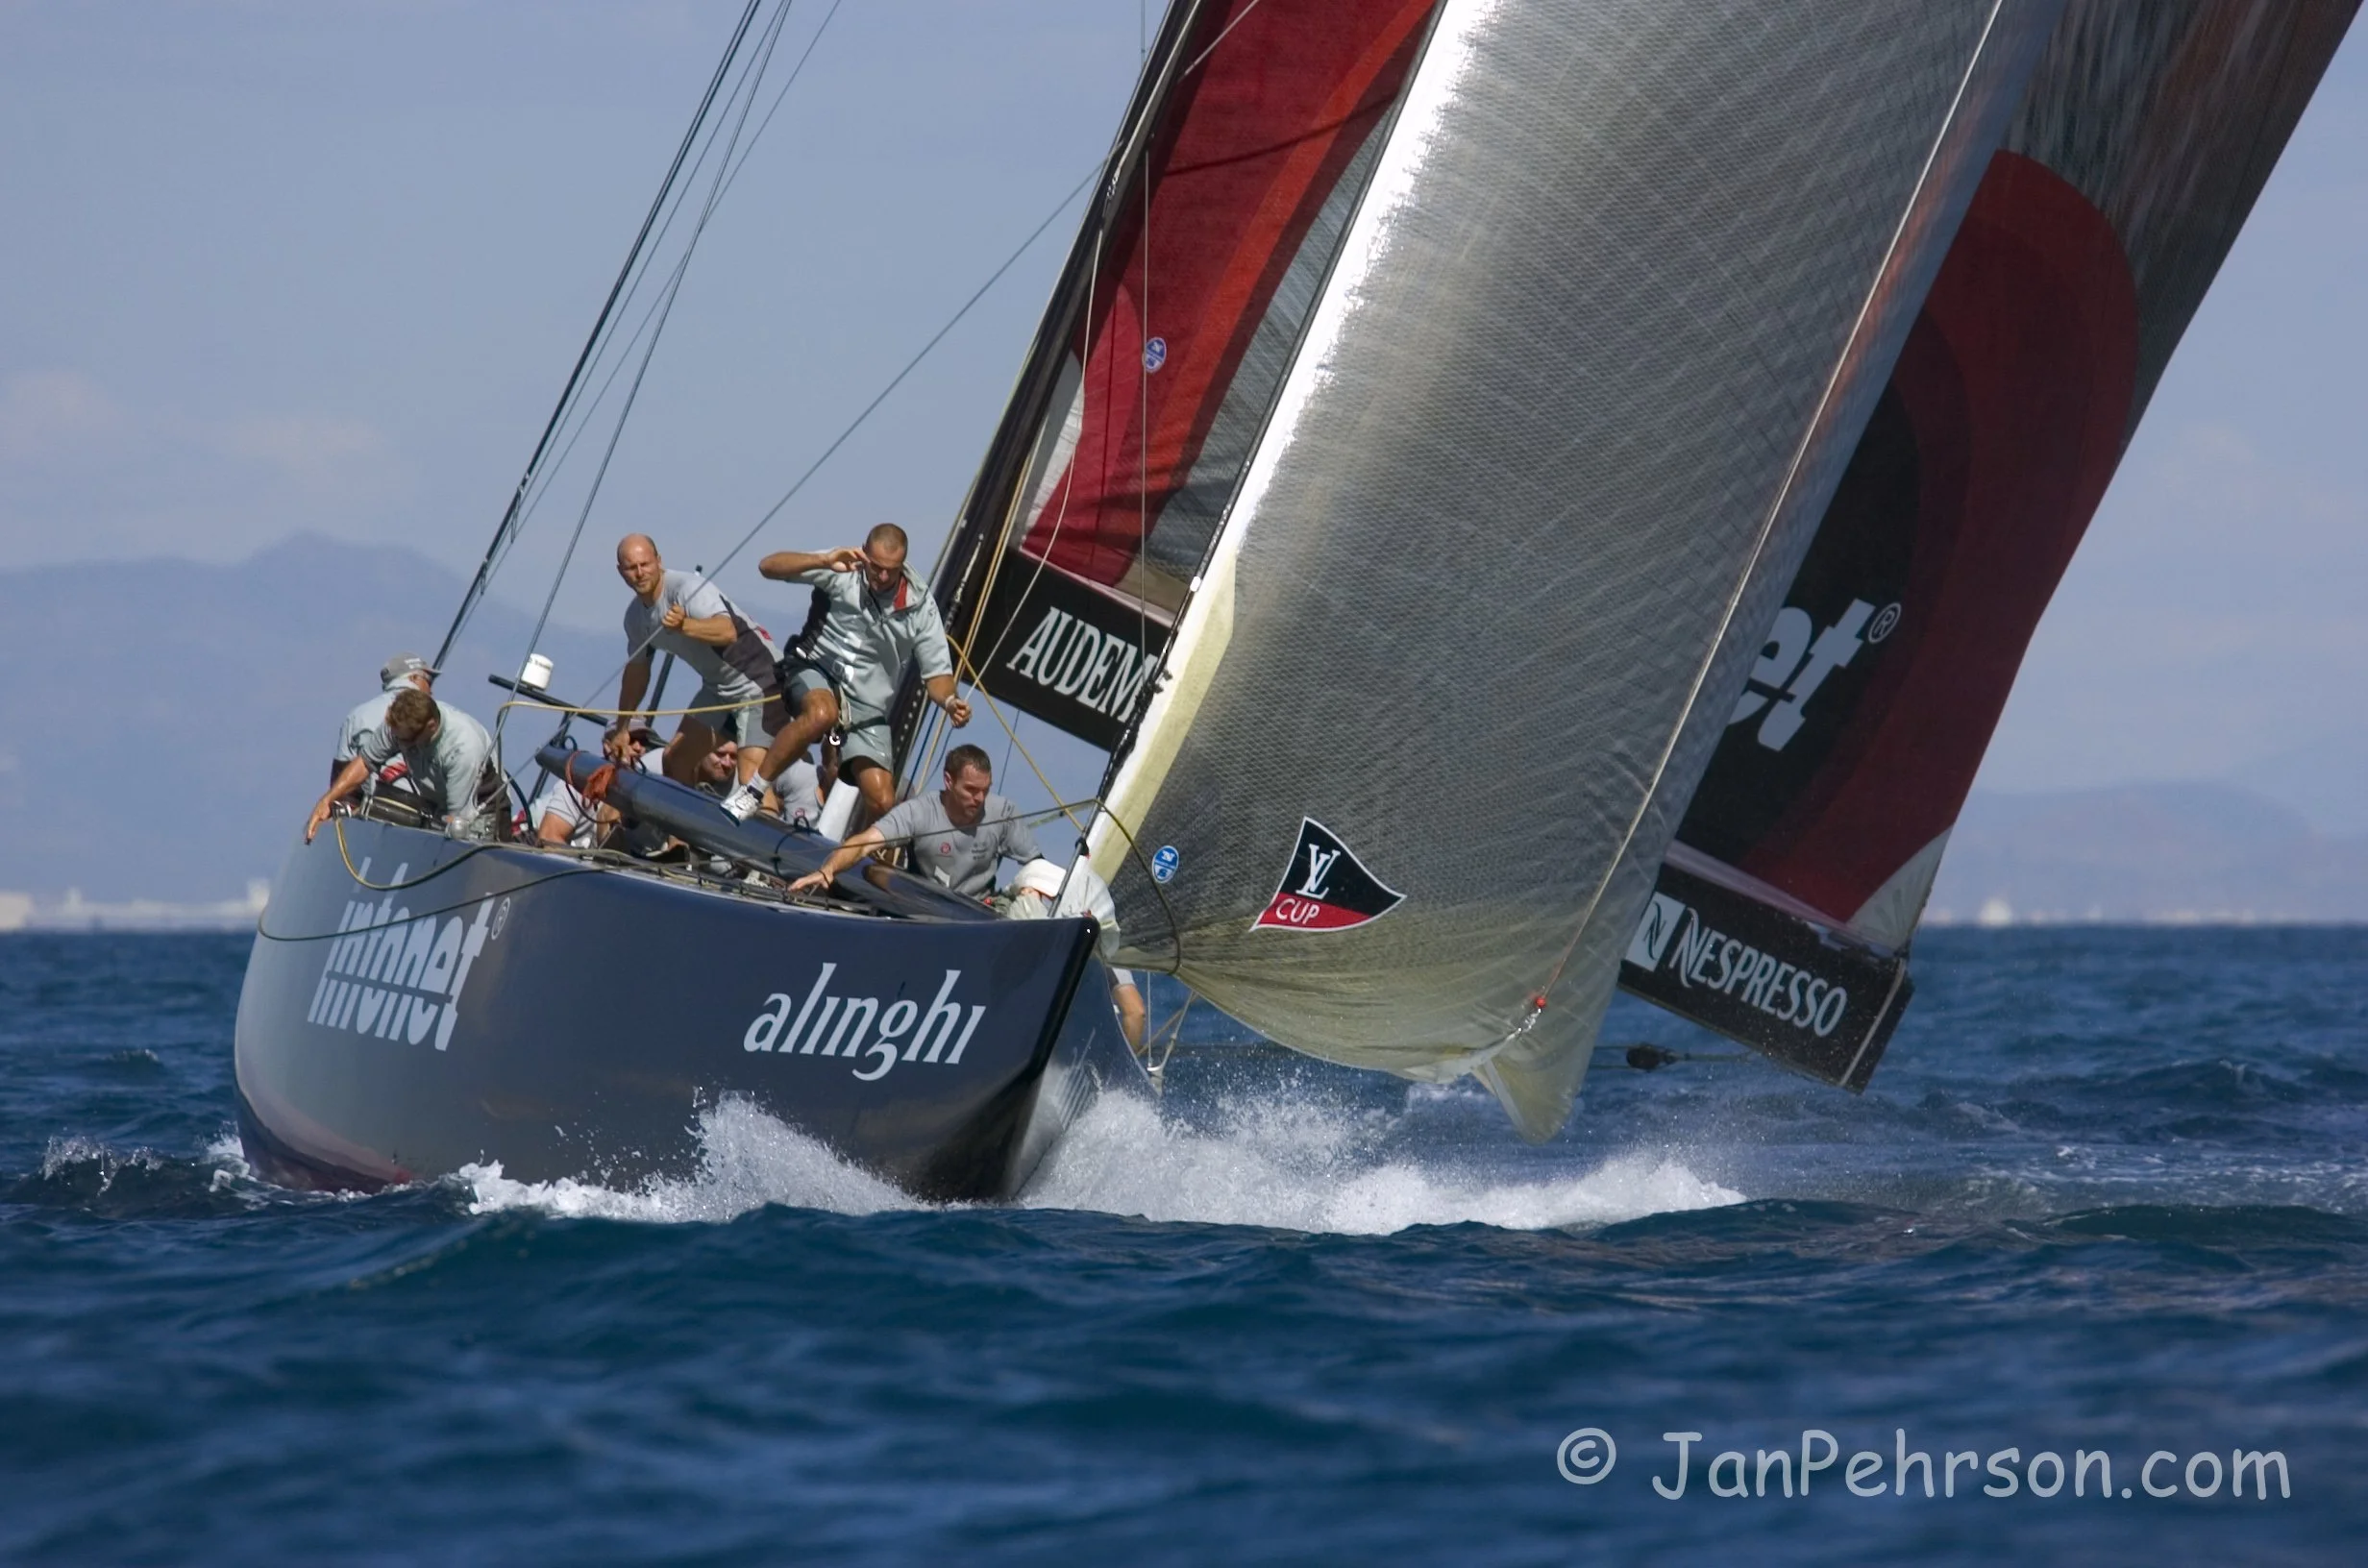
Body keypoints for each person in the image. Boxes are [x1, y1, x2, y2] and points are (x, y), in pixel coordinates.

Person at [728, 523, 971, 823]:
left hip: (866, 702)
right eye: (877, 567)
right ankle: (752, 792)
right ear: (865, 553)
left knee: (883, 801)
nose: (882, 577)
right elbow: (768, 566)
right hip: (814, 667)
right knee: (822, 713)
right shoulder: (842, 565)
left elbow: (937, 676)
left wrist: (949, 702)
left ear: (903, 565)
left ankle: (842, 863)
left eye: (891, 571)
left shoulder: (921, 608)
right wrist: (823, 561)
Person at [607, 533, 785, 798]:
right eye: (631, 568)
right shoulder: (635, 618)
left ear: (659, 560)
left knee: (750, 781)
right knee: (675, 760)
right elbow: (637, 672)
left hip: (760, 682)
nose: (640, 573)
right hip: (718, 689)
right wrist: (622, 728)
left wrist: (684, 626)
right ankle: (681, 841)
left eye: (645, 564)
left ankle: (769, 830)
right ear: (621, 572)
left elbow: (727, 631)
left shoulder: (686, 588)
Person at [788, 745, 1036, 899]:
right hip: (926, 907)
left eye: (985, 790)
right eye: (971, 790)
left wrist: (1032, 888)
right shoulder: (919, 812)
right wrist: (828, 869)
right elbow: (863, 844)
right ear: (948, 781)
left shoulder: (1002, 812)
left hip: (979, 910)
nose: (980, 798)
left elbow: (1037, 865)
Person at [308, 688, 503, 843]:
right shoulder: (399, 726)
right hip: (437, 805)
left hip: (478, 817)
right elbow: (366, 763)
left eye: (406, 741)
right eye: (396, 739)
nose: (400, 746)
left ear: (431, 727)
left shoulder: (462, 749)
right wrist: (327, 800)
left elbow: (457, 822)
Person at [1003, 857, 1146, 1049]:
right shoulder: (1099, 944)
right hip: (1085, 1051)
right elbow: (1135, 1013)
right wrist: (1119, 1074)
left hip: (1047, 1041)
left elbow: (1135, 1013)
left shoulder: (1035, 929)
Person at [529, 723, 659, 847]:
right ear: (607, 746)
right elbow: (548, 839)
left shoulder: (642, 796)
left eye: (644, 742)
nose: (638, 747)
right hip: (528, 840)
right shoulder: (581, 781)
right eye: (631, 739)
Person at [332, 652, 435, 784]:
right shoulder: (435, 715)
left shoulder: (356, 715)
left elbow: (339, 773)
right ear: (414, 678)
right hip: (417, 800)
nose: (431, 691)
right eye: (429, 681)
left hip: (369, 801)